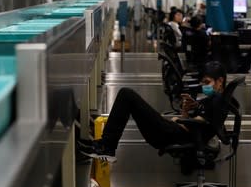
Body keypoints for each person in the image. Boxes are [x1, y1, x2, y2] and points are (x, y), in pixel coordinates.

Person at [79, 61, 227, 162]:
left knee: (127, 95)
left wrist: (178, 120)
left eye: (207, 82)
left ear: (220, 81)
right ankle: (106, 145)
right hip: (177, 132)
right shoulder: (212, 99)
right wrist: (185, 111)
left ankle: (107, 146)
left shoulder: (218, 101)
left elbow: (198, 125)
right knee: (128, 97)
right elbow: (198, 123)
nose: (203, 86)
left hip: (174, 134)